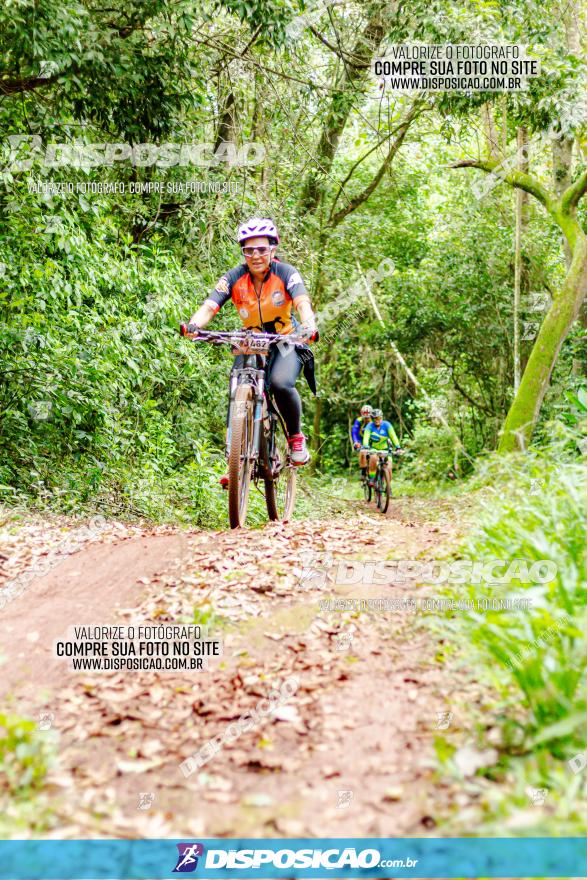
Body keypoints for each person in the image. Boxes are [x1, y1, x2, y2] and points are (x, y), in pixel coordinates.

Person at [188, 218, 318, 470]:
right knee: (237, 385)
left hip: (285, 340)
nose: (255, 255)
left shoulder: (286, 273)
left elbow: (302, 302)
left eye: (261, 249)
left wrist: (309, 326)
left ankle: (295, 438)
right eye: (249, 250)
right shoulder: (234, 278)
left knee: (281, 384)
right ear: (243, 253)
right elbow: (210, 305)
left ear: (273, 249)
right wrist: (195, 326)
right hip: (250, 341)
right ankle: (233, 460)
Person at [363, 408, 402, 486]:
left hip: (386, 449)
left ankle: (388, 486)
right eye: (374, 418)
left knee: (389, 468)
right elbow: (366, 437)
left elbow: (393, 436)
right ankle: (372, 478)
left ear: (381, 417)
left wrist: (398, 447)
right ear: (372, 419)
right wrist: (366, 447)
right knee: (373, 458)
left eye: (378, 418)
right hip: (374, 448)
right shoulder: (369, 426)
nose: (376, 420)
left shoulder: (387, 425)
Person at [351, 404, 373, 479]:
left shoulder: (374, 420)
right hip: (361, 439)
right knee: (362, 452)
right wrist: (356, 442)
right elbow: (354, 432)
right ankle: (363, 471)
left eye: (368, 418)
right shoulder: (359, 420)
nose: (366, 419)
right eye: (365, 418)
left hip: (372, 439)